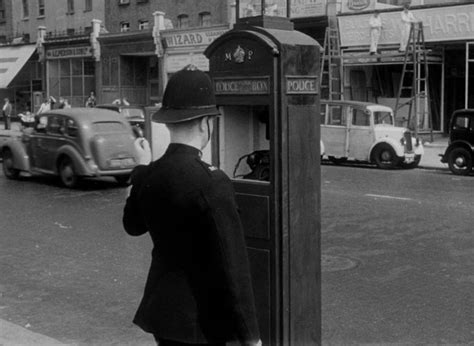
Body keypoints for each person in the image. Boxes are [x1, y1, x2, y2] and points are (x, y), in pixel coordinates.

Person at [123, 65, 261, 346]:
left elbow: (132, 225)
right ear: (204, 123)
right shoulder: (213, 182)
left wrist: (139, 169)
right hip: (202, 321)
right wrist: (251, 337)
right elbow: (233, 268)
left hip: (163, 314)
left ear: (169, 122)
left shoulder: (150, 174)